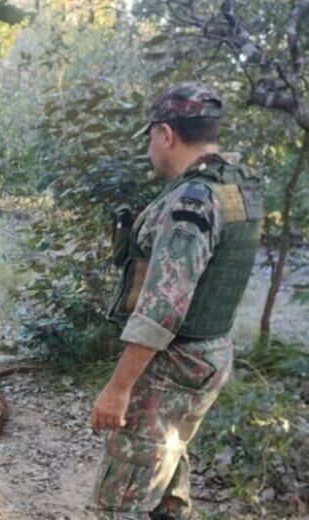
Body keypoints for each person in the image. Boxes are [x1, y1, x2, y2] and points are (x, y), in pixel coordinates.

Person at [89, 82, 264, 519]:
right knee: (167, 467)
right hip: (209, 356)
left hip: (172, 363)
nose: (150, 147)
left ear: (166, 134)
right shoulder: (238, 188)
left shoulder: (194, 199)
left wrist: (118, 388)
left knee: (120, 500)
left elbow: (162, 307)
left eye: (151, 137)